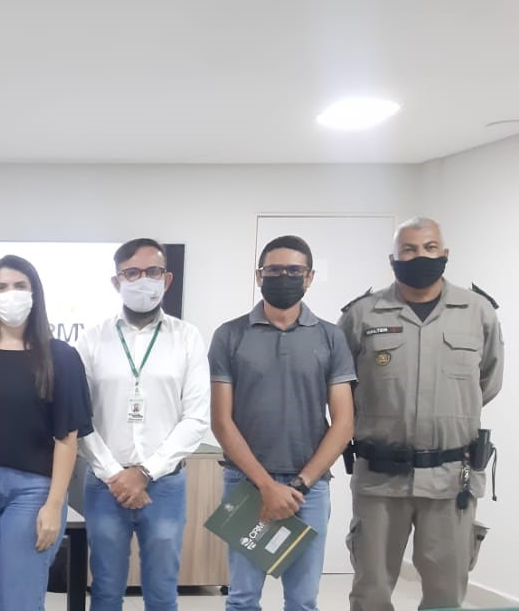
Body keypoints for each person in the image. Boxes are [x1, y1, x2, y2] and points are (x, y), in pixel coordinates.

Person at [340, 217, 504, 611]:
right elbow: (342, 389)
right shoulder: (362, 315)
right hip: (379, 479)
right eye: (409, 250)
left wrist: (448, 413)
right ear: (393, 259)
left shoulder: (478, 312)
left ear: (445, 254)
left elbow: (487, 383)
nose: (420, 256)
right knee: (370, 592)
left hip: (451, 479)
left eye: (430, 248)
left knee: (446, 595)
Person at [208, 235, 356, 611]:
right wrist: (266, 485)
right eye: (274, 270)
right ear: (259, 275)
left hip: (309, 489)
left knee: (303, 601)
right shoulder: (230, 335)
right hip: (246, 485)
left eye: (294, 270)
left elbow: (343, 423)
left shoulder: (331, 337)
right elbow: (222, 422)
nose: (284, 277)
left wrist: (300, 484)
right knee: (242, 599)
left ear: (309, 277)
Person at [0, 254, 93, 611]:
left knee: (19, 600)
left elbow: (67, 438)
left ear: (34, 294)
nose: (10, 294)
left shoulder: (60, 357)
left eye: (19, 286)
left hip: (33, 490)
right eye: (1, 287)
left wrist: (54, 506)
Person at [75, 239, 209, 611]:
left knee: (162, 593)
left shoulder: (187, 337)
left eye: (152, 271)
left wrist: (145, 472)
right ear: (116, 282)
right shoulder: (92, 339)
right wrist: (115, 474)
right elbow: (79, 417)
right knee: (105, 590)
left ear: (167, 279)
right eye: (132, 273)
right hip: (105, 484)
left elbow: (196, 417)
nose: (143, 280)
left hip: (164, 484)